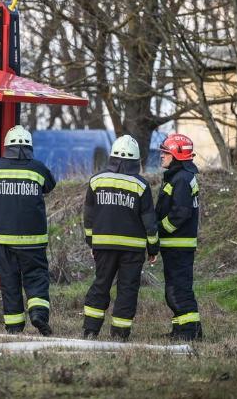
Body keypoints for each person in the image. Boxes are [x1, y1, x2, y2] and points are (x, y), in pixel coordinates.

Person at [0, 125, 57, 335]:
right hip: (34, 239)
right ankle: (38, 313)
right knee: (36, 276)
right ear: (29, 146)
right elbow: (50, 185)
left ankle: (14, 325)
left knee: (9, 280)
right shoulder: (38, 168)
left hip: (4, 239)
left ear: (6, 146)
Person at [82, 135, 159, 341]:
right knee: (127, 289)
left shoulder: (96, 180)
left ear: (112, 157)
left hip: (104, 246)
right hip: (132, 250)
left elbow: (88, 217)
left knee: (101, 284)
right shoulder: (141, 186)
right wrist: (153, 249)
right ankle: (120, 334)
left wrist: (91, 242)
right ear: (136, 161)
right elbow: (149, 223)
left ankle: (90, 330)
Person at [156, 133, 203, 341]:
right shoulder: (180, 176)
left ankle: (189, 332)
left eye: (165, 152)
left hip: (178, 245)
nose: (162, 156)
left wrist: (160, 228)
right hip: (175, 245)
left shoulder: (182, 179)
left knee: (178, 290)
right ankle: (182, 329)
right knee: (175, 289)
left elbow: (180, 213)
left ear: (176, 154)